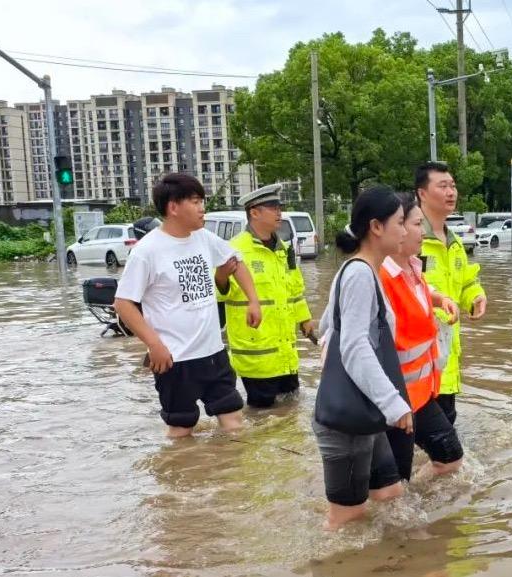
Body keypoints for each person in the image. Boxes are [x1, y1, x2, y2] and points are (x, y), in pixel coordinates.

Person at [114, 173, 262, 438]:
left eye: (202, 201)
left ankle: (230, 478)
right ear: (173, 207)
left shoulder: (204, 238)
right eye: (195, 201)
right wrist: (154, 345)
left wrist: (253, 301)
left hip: (213, 353)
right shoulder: (147, 251)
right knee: (181, 430)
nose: (202, 208)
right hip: (175, 359)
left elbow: (235, 262)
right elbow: (123, 303)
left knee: (234, 422)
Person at [313, 185, 413, 530]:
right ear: (376, 227)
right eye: (400, 222)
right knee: (346, 522)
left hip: (364, 413)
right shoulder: (358, 274)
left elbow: (328, 327)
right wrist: (394, 404)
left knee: (390, 494)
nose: (405, 230)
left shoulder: (361, 271)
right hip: (348, 422)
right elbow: (354, 345)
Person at [380, 192, 464, 482]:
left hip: (421, 395)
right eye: (417, 224)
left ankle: (420, 499)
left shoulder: (413, 268)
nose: (423, 231)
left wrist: (439, 299)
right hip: (394, 399)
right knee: (393, 485)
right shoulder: (378, 277)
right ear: (398, 229)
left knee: (450, 456)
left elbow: (417, 295)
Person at [216, 184, 315, 408]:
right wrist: (221, 276)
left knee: (290, 412)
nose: (279, 212)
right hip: (257, 354)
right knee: (261, 417)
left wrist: (305, 319)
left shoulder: (283, 249)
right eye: (273, 207)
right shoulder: (234, 249)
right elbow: (219, 294)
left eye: (280, 207)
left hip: (285, 352)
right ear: (254, 212)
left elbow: (294, 290)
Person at [415, 161, 487, 424]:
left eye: (453, 186)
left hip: (446, 362)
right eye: (442, 186)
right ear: (422, 193)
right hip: (417, 366)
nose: (451, 192)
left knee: (445, 434)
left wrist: (475, 296)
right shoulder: (410, 239)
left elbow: (466, 281)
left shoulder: (453, 241)